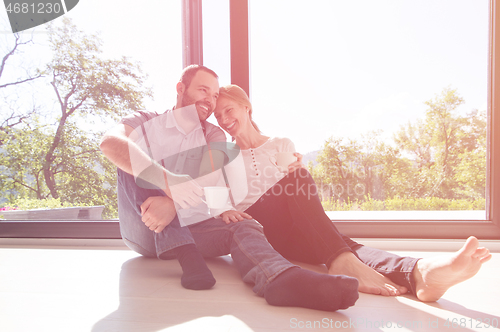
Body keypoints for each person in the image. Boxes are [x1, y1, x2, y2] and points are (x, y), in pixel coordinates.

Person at [100, 65, 360, 312]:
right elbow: (109, 143)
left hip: (190, 227)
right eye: (203, 90)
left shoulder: (214, 135)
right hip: (144, 225)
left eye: (214, 95)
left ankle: (281, 278)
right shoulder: (145, 120)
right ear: (181, 88)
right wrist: (167, 182)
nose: (210, 101)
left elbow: (209, 180)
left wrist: (172, 204)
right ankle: (185, 252)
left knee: (244, 224)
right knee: (130, 152)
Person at [212, 84, 492, 302]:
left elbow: (295, 190)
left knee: (341, 245)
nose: (224, 119)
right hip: (259, 228)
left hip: (291, 230)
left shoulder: (279, 143)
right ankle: (351, 262)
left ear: (246, 107)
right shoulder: (223, 154)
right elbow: (212, 191)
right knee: (328, 229)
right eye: (218, 115)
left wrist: (295, 168)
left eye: (228, 110)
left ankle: (420, 273)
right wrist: (224, 208)